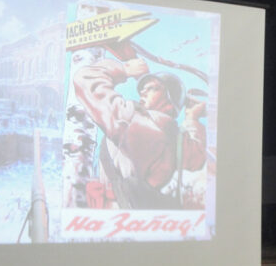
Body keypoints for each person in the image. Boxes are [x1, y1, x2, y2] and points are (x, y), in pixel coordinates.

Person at [73, 56, 207, 209]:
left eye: (153, 88)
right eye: (144, 88)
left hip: (118, 214)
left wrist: (123, 70)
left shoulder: (137, 123)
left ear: (170, 104)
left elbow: (85, 80)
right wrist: (192, 118)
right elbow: (197, 157)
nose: (143, 91)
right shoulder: (178, 138)